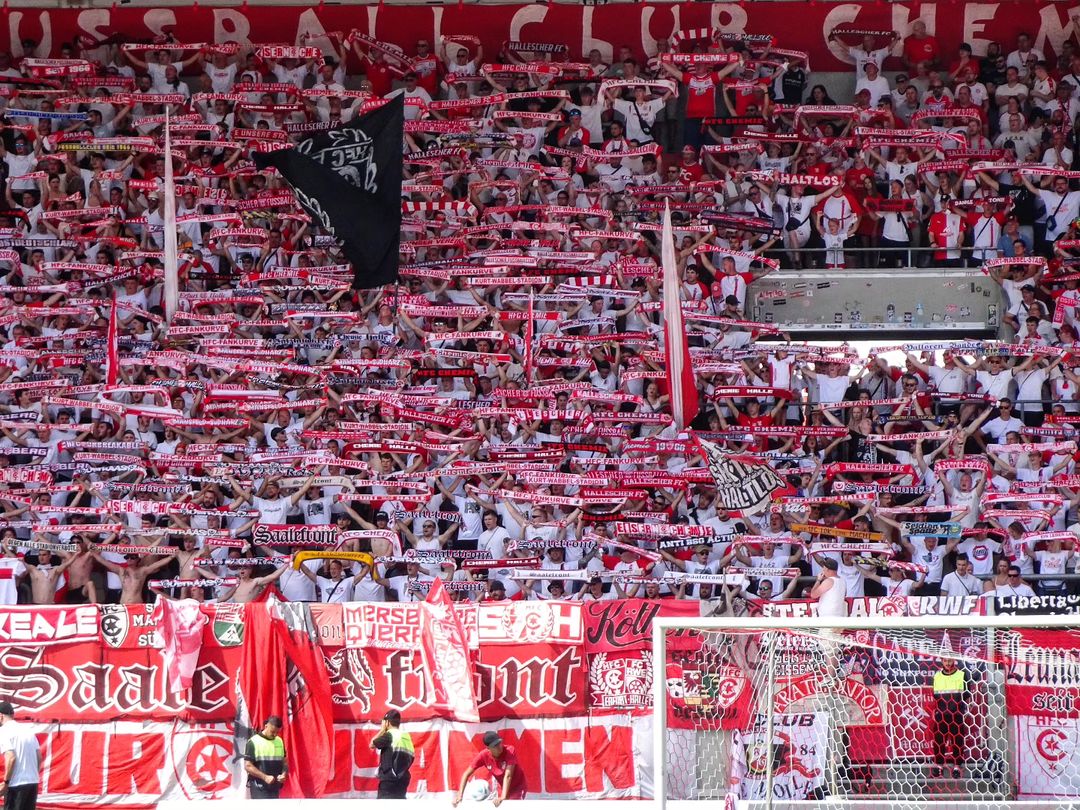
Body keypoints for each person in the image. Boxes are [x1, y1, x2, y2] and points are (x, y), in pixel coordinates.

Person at [453, 731, 527, 806]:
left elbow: (508, 776)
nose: (499, 746)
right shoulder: (483, 755)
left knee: (513, 806)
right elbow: (466, 774)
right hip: (503, 788)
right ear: (488, 748)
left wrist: (503, 797)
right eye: (495, 745)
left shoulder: (510, 750)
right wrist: (460, 795)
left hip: (518, 787)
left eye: (499, 743)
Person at [931, 657, 967, 779]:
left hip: (957, 713)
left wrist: (956, 705)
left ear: (954, 660)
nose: (947, 663)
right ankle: (939, 766)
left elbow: (966, 694)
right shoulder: (937, 676)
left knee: (957, 740)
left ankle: (957, 767)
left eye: (950, 660)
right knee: (939, 740)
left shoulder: (962, 675)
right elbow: (935, 695)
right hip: (941, 713)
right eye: (945, 660)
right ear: (941, 661)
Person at [0, 701, 39, 810]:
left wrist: (6, 782)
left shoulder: (3, 731)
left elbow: (11, 758)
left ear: (1, 715)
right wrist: (32, 774)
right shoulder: (28, 730)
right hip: (32, 782)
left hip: (16, 784)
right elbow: (38, 756)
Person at [370, 709, 414, 799]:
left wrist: (382, 730)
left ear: (387, 723)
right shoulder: (406, 736)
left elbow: (372, 744)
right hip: (403, 779)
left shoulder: (390, 735)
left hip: (389, 779)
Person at [243, 716, 287, 799]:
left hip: (275, 787)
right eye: (272, 731)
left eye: (277, 732)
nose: (275, 735)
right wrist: (265, 777)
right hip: (259, 787)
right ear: (266, 726)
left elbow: (284, 762)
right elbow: (248, 766)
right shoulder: (253, 742)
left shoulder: (279, 741)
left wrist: (284, 774)